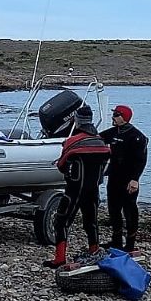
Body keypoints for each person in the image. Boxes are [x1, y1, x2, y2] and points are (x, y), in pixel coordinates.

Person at [43, 105, 111, 269]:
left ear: (77, 121)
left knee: (61, 221)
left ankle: (59, 258)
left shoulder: (73, 141)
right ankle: (94, 251)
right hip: (93, 189)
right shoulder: (101, 142)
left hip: (75, 189)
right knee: (91, 221)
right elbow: (105, 167)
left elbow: (61, 165)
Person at [99, 104, 148, 252]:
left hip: (129, 180)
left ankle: (130, 244)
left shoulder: (137, 136)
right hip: (114, 177)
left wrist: (135, 179)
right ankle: (116, 241)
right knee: (113, 210)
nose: (113, 117)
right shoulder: (114, 132)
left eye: (116, 115)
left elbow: (141, 160)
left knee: (129, 210)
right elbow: (97, 137)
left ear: (124, 118)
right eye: (113, 114)